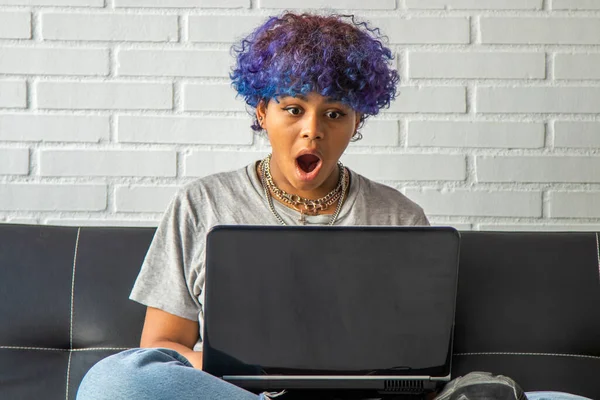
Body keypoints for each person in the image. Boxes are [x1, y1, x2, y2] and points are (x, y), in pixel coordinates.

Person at [76, 12, 590, 400]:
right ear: (262, 110)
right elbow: (162, 347)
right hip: (246, 397)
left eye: (335, 113)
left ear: (357, 121)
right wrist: (224, 362)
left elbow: (417, 363)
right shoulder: (201, 203)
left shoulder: (399, 217)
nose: (312, 130)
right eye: (293, 108)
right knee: (113, 380)